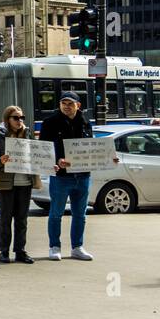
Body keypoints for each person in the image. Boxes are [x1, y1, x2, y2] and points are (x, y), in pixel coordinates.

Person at [40, 92, 103, 261]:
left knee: (80, 214)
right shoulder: (50, 122)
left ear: (78, 105)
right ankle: (54, 246)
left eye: (70, 103)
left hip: (83, 176)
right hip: (61, 176)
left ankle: (77, 247)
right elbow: (44, 149)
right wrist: (56, 160)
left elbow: (92, 147)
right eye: (63, 103)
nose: (66, 106)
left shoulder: (85, 122)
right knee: (56, 213)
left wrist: (107, 158)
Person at [0, 105, 40, 264]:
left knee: (22, 219)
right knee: (6, 218)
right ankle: (4, 252)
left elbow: (38, 156)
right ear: (7, 119)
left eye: (21, 118)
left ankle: (20, 251)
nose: (20, 121)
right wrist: (0, 160)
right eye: (16, 118)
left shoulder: (28, 135)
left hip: (25, 182)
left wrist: (48, 165)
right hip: (6, 184)